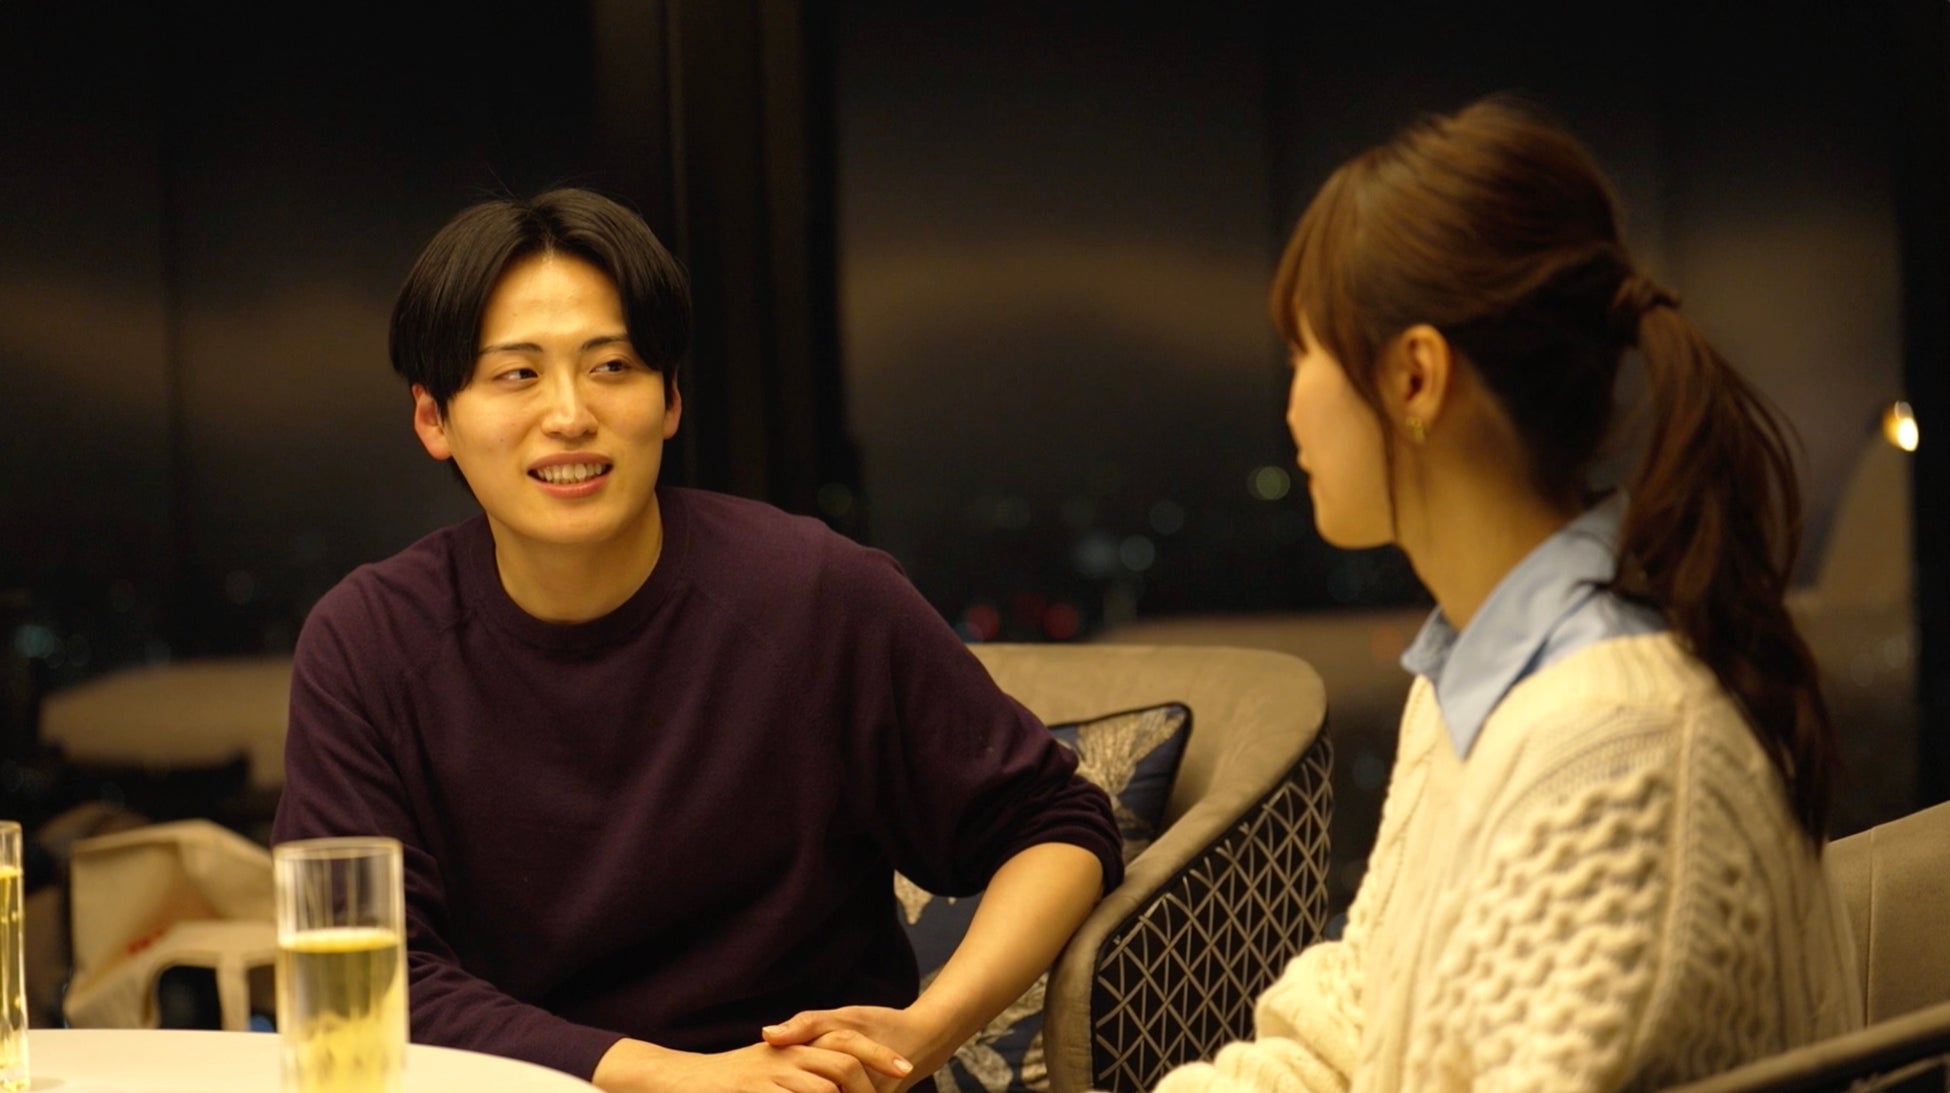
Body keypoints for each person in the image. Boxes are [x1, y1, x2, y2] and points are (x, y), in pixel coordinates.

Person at [272, 186, 1123, 1093]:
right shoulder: (369, 640)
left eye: (612, 366)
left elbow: (1056, 823)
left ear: (670, 398)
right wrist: (675, 1077)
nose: (570, 413)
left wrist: (925, 1029)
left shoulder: (813, 594)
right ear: (433, 417)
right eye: (516, 374)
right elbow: (372, 973)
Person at [1143, 96, 1862, 1092]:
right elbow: (1354, 1032)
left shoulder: (1614, 750)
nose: (1291, 398)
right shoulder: (1470, 686)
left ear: (1414, 378)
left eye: (1305, 352)